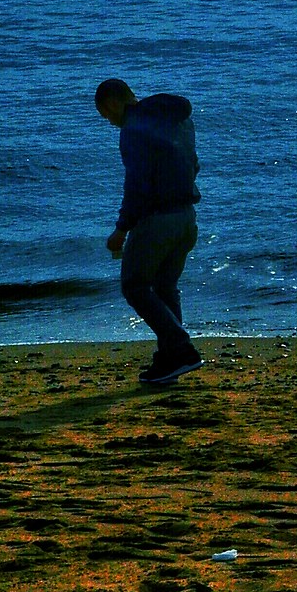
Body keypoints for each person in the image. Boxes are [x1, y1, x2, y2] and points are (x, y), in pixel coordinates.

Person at [95, 77, 205, 384]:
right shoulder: (179, 121)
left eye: (106, 115)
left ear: (113, 103)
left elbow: (137, 186)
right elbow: (194, 165)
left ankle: (181, 348)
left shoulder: (133, 131)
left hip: (157, 220)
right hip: (186, 217)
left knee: (134, 286)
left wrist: (121, 229)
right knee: (165, 286)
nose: (110, 122)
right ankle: (171, 358)